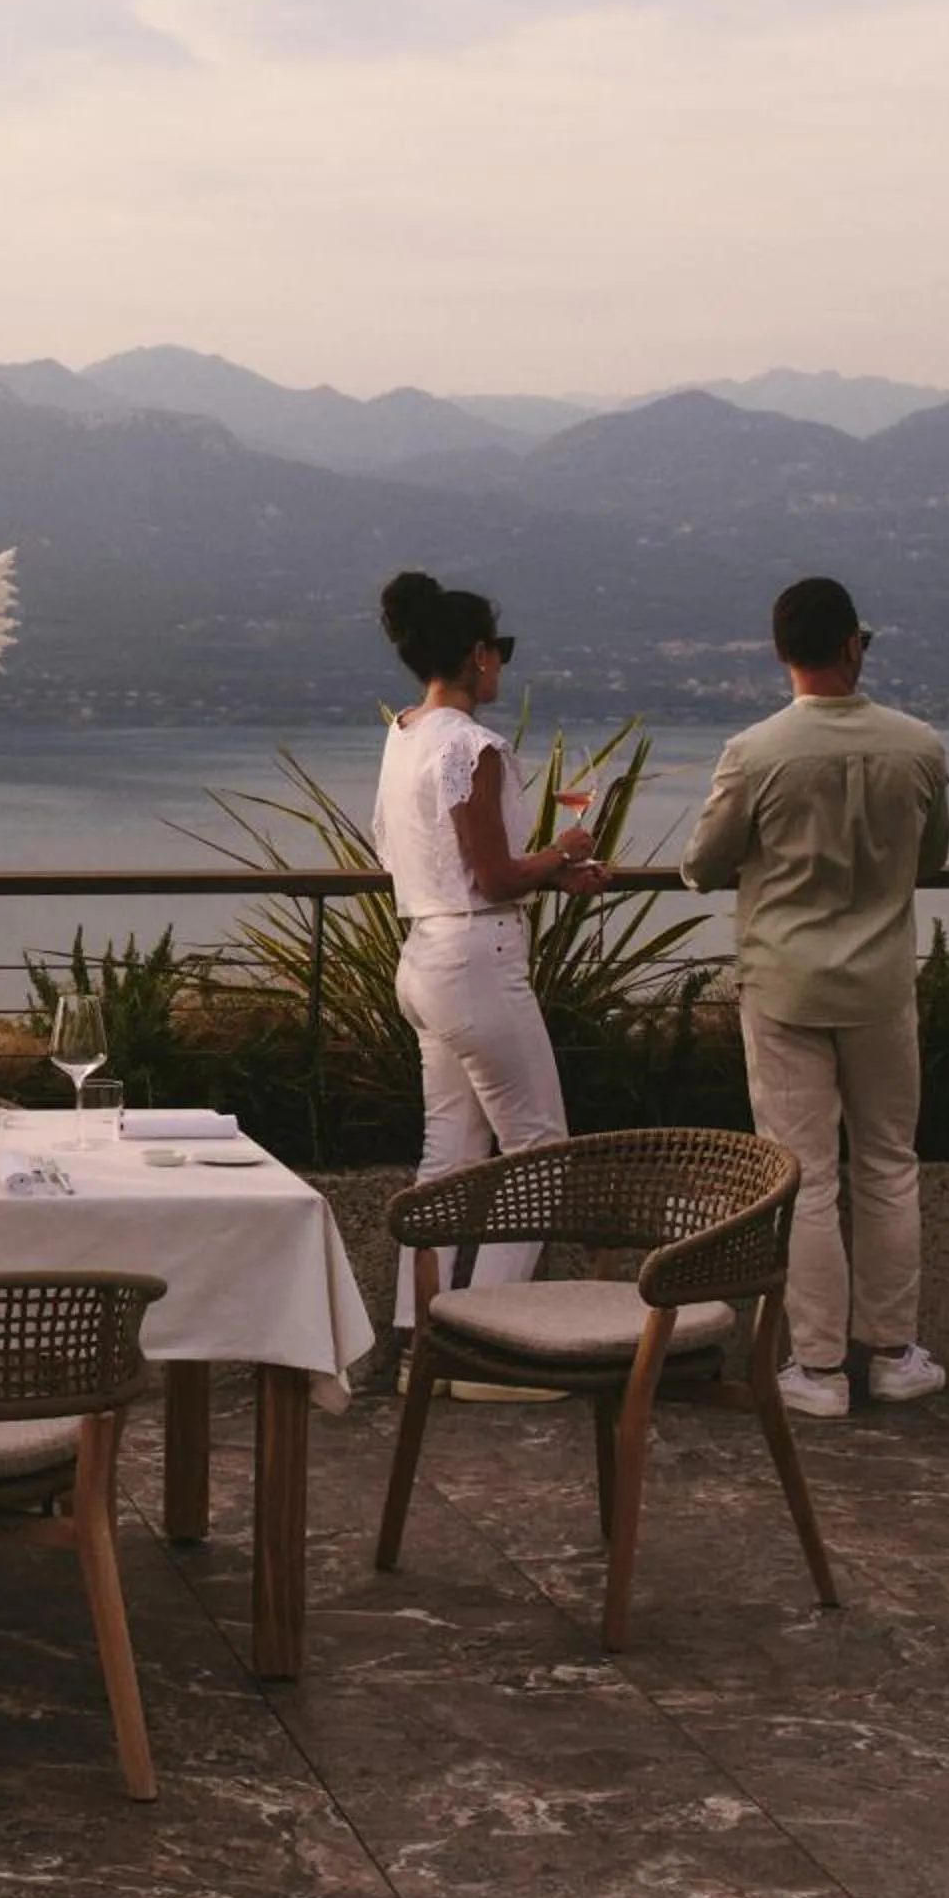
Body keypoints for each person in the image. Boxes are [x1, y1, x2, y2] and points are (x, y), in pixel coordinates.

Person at [682, 576, 949, 1418]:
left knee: (805, 1177)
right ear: (852, 646)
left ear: (780, 652)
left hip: (786, 985)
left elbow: (702, 865)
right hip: (880, 985)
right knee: (888, 1165)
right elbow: (931, 859)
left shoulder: (754, 753)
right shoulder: (918, 746)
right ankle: (897, 1354)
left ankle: (819, 1369)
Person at [371, 572, 603, 1379]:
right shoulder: (474, 748)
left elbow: (407, 855)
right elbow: (497, 877)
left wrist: (541, 874)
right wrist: (565, 854)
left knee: (450, 1151)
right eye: (497, 652)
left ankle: (414, 1332)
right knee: (539, 1151)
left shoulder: (404, 735)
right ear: (475, 658)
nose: (501, 666)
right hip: (479, 961)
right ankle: (491, 1345)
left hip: (423, 955)